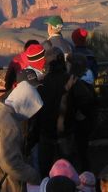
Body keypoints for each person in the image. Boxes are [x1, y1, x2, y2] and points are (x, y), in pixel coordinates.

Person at [0, 80, 42, 192]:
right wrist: (34, 176)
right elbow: (11, 164)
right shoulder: (10, 126)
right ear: (24, 104)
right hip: (5, 184)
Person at [37, 48, 75, 177]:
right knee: (66, 167)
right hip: (66, 130)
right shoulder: (70, 80)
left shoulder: (42, 83)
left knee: (45, 169)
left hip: (46, 131)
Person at [67, 53, 97, 172]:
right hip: (87, 120)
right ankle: (85, 172)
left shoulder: (79, 83)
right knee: (82, 149)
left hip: (81, 121)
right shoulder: (87, 77)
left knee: (79, 149)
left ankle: (81, 173)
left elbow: (85, 101)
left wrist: (79, 113)